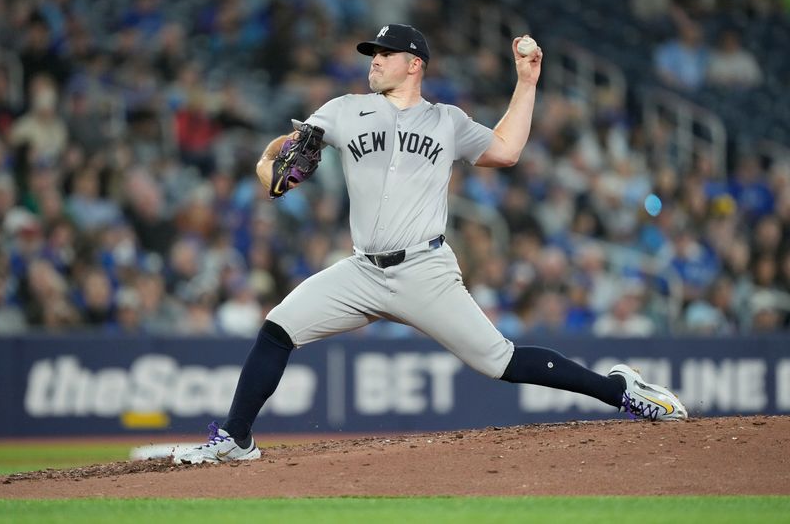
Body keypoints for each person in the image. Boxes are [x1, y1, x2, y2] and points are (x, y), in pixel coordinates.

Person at [174, 24, 687, 465]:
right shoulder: (344, 110)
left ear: (413, 63)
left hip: (424, 269)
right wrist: (272, 162)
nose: (374, 61)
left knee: (500, 361)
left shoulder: (447, 121)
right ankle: (236, 439)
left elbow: (506, 151)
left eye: (383, 54)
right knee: (277, 328)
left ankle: (622, 392)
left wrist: (527, 82)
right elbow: (276, 167)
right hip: (362, 272)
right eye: (371, 54)